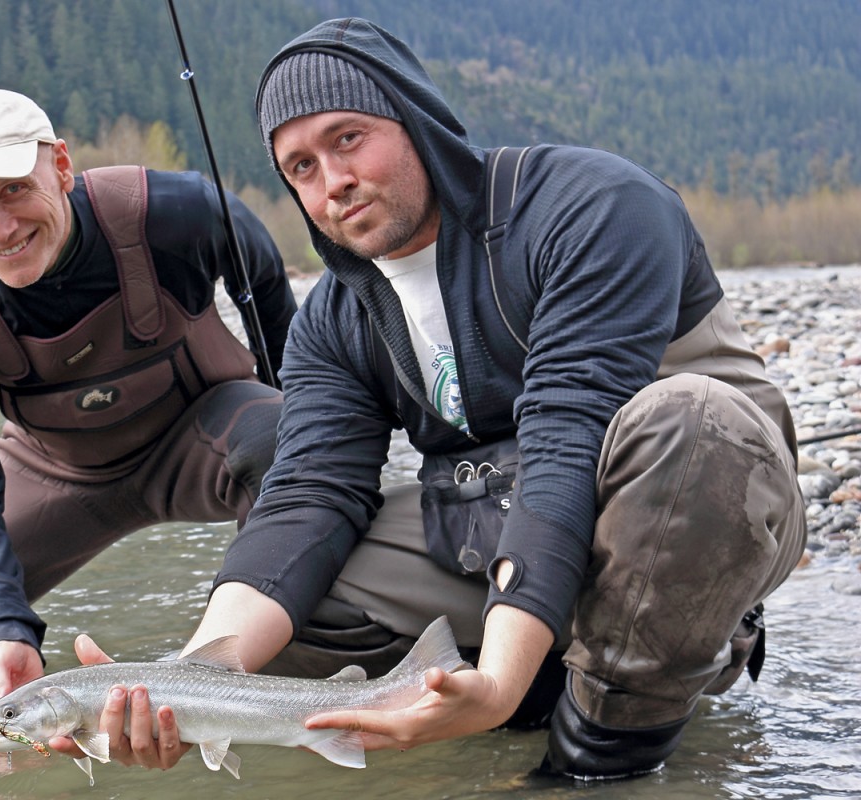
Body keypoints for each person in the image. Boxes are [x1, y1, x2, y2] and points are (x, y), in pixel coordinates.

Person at [54, 18, 807, 782]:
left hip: (689, 503)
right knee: (285, 601)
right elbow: (307, 498)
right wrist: (186, 685)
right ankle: (530, 682)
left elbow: (567, 437)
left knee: (690, 421)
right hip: (497, 514)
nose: (332, 182)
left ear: (415, 117)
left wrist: (498, 682)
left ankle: (596, 754)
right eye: (301, 167)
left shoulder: (594, 205)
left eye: (349, 138)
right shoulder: (333, 319)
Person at [0, 88, 297, 705]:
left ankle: (281, 647)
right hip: (59, 475)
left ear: (61, 166)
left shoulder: (179, 212)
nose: (1, 228)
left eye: (13, 189)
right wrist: (5, 628)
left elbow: (279, 316)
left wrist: (307, 471)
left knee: (289, 436)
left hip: (207, 437)